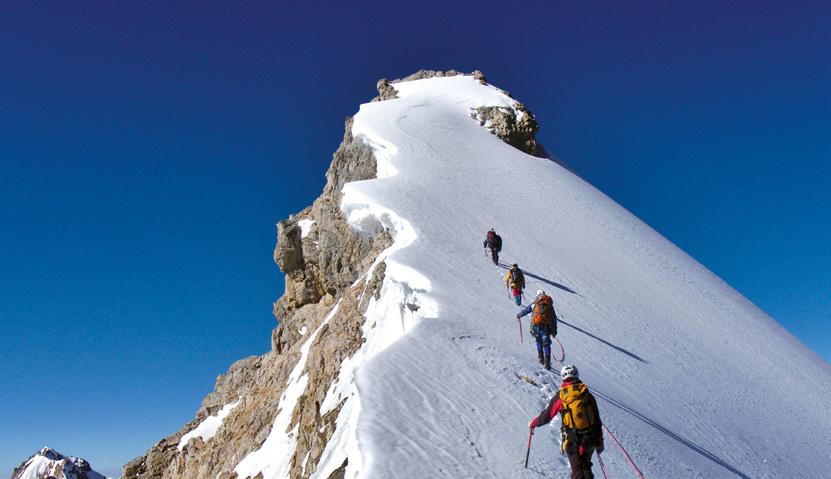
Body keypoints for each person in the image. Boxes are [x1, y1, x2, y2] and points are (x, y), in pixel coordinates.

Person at [528, 365, 604, 479]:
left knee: (577, 471)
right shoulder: (586, 394)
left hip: (572, 440)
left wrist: (533, 423)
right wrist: (599, 441)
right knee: (586, 466)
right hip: (590, 438)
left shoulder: (561, 396)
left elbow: (547, 416)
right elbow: (597, 420)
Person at [516, 289, 557, 369]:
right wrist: (554, 331)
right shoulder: (550, 306)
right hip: (546, 328)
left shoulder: (535, 304)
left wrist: (519, 315)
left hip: (536, 326)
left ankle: (540, 358)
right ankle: (547, 363)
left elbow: (526, 311)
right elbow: (553, 319)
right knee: (546, 344)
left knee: (538, 340)